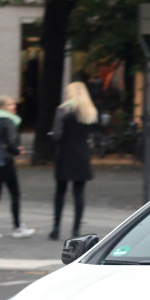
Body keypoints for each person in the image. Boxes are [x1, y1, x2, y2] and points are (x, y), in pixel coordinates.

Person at [48, 81, 98, 240]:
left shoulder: (63, 110)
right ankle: (76, 230)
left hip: (65, 154)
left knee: (60, 191)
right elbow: (92, 135)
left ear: (71, 93)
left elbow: (57, 134)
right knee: (79, 193)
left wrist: (52, 136)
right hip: (82, 155)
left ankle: (56, 228)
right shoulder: (89, 111)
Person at [0, 95, 35, 239]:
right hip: (6, 161)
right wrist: (18, 151)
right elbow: (11, 143)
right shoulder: (9, 121)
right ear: (3, 107)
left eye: (13, 104)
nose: (14, 107)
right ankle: (17, 227)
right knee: (15, 194)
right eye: (10, 105)